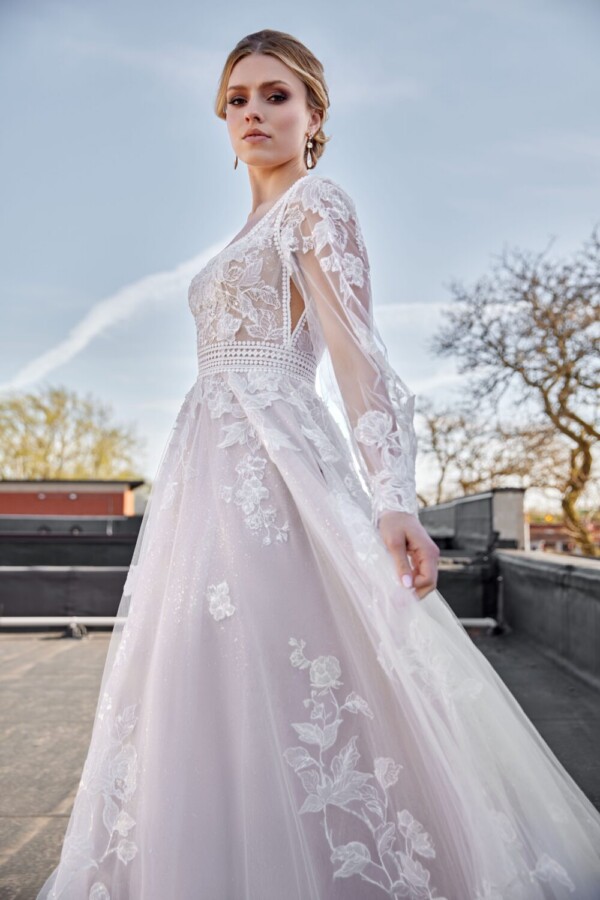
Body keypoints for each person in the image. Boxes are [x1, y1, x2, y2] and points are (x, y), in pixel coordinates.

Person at [37, 28, 600, 900]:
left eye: (274, 95)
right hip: (206, 475)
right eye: (237, 99)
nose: (252, 112)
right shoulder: (251, 224)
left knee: (296, 664)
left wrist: (393, 498)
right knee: (205, 672)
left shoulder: (316, 204)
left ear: (314, 115)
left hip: (276, 464)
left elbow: (356, 358)